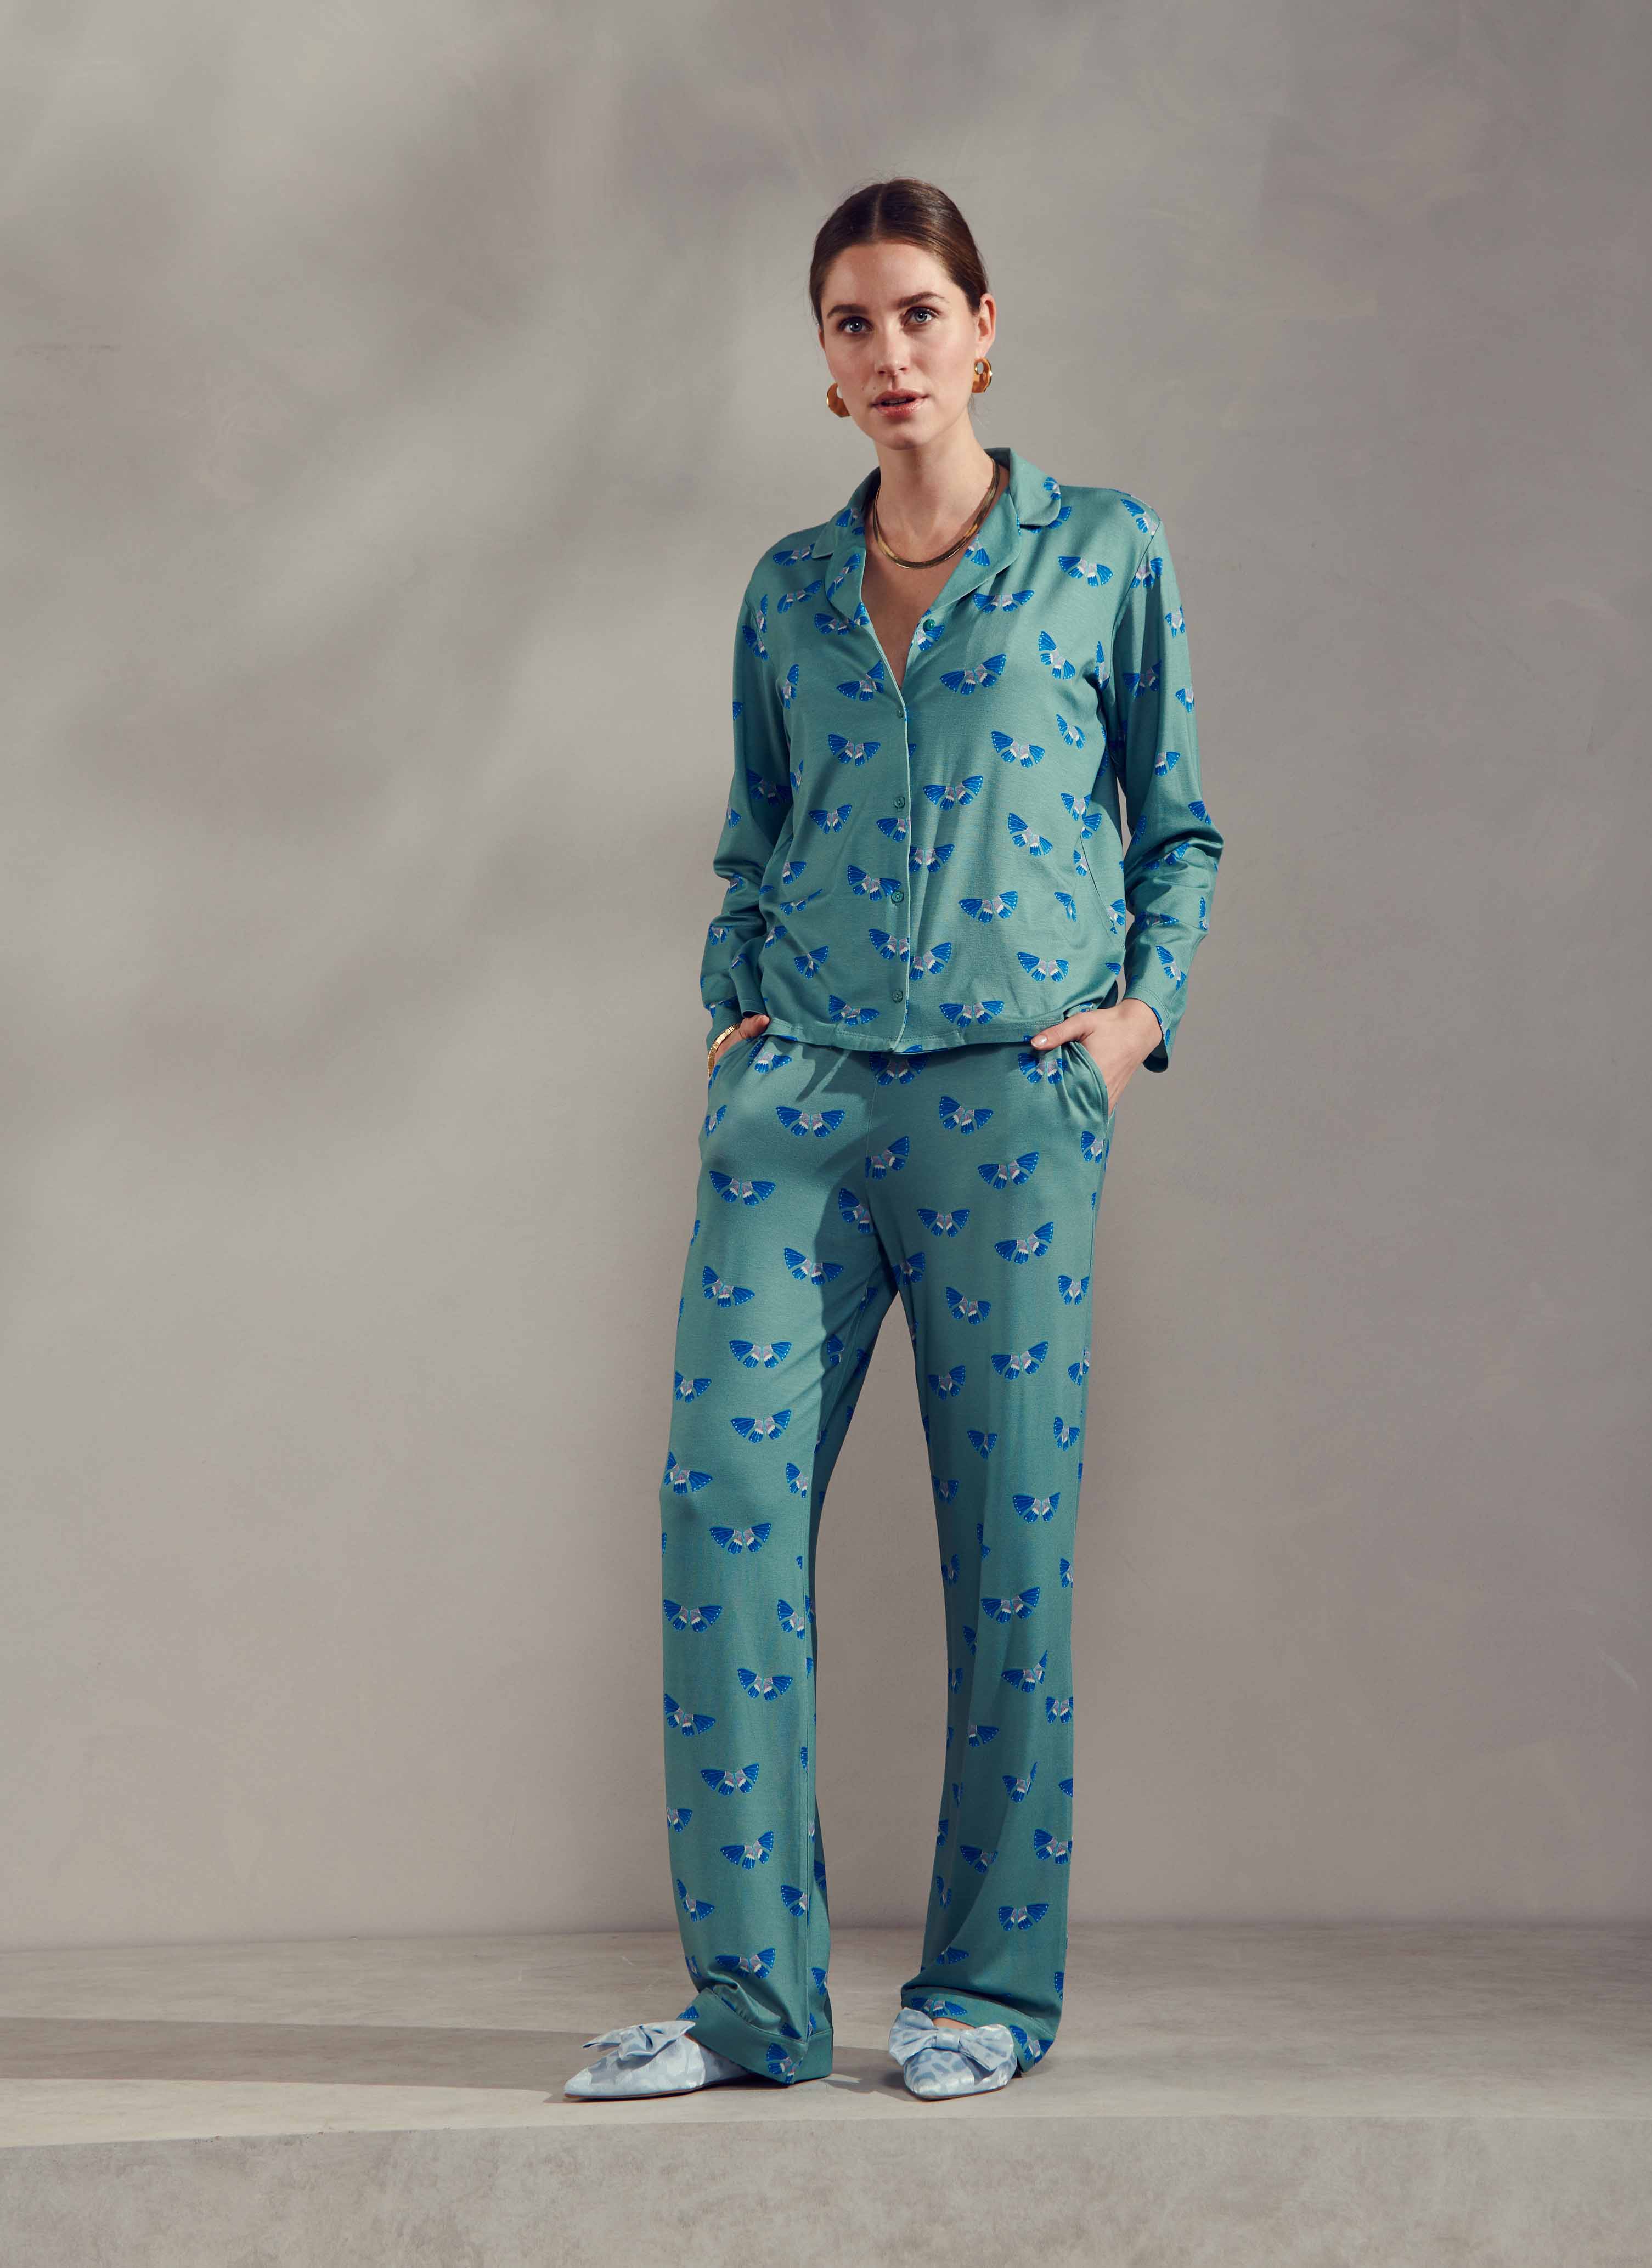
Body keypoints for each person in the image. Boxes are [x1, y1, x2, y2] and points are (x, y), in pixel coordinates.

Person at [567, 177, 1223, 2106]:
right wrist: (732, 1005)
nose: (890, 353)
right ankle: (752, 2009)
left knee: (1006, 1547)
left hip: (1015, 1102)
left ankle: (986, 1996)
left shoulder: (1103, 551)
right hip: (799, 1104)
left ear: (984, 330)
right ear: (824, 362)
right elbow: (753, 834)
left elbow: (1177, 822)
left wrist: (1132, 1026)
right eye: (852, 324)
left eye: (920, 313)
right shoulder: (787, 587)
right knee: (721, 1512)